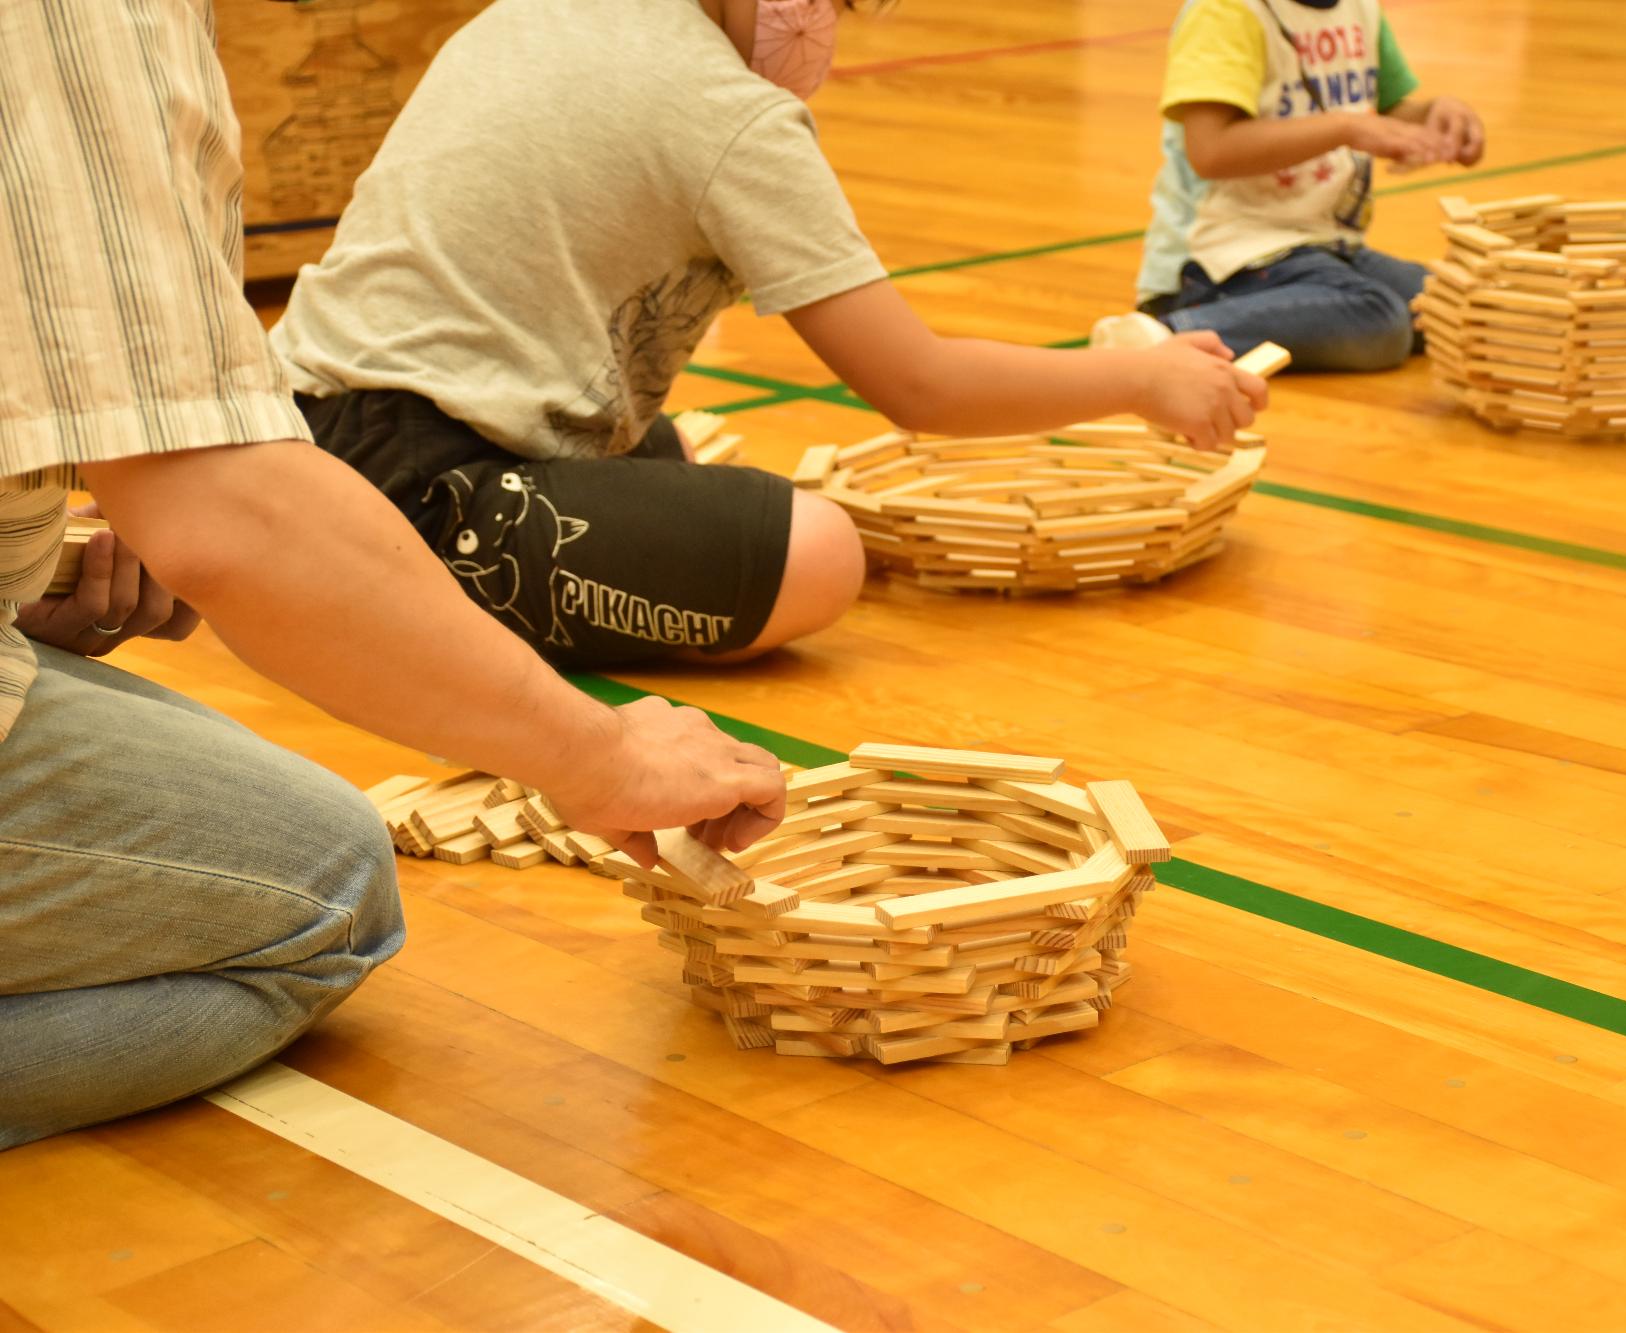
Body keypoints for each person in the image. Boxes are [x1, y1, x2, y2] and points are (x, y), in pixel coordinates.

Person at [0, 1, 787, 1150]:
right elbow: (228, 505)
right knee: (325, 890)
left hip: (366, 446)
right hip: (402, 461)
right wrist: (598, 754)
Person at [269, 0, 1273, 672]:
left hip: (297, 443)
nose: (824, 22)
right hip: (418, 490)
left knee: (682, 464)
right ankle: (373, 599)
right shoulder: (725, 114)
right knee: (818, 551)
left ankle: (316, 562)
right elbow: (920, 383)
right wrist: (1135, 381)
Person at [1092, 0, 1487, 373]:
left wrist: (1434, 115)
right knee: (1381, 319)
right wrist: (1345, 128)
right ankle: (1162, 337)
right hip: (1220, 259)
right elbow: (1210, 151)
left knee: (1447, 304)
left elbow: (1388, 108)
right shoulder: (1228, 11)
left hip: (1322, 244)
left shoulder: (1359, 8)